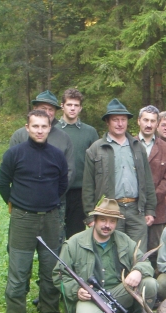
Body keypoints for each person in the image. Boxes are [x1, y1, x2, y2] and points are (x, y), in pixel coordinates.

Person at [0, 109, 69, 313]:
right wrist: (17, 204)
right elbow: (2, 183)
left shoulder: (57, 155)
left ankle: (50, 312)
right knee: (19, 269)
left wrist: (47, 203)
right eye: (35, 126)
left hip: (50, 219)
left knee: (50, 268)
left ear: (50, 128)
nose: (39, 130)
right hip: (22, 219)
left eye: (44, 126)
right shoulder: (14, 154)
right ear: (27, 128)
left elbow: (62, 185)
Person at [53, 199, 157, 313]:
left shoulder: (124, 240)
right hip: (90, 297)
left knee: (150, 283)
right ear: (94, 220)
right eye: (103, 220)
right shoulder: (73, 243)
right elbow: (58, 275)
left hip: (118, 293)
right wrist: (76, 290)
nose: (107, 225)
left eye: (112, 221)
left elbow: (144, 261)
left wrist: (138, 270)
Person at [82, 98, 156, 251]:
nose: (120, 123)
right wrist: (90, 217)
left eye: (123, 120)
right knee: (112, 253)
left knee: (137, 253)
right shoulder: (96, 149)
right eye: (115, 120)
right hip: (109, 212)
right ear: (107, 122)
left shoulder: (138, 147)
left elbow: (147, 181)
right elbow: (88, 186)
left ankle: (137, 275)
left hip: (136, 210)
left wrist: (150, 209)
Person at [137, 105, 166, 271]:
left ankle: (155, 291)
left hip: (158, 211)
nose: (148, 124)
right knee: (134, 250)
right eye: (145, 120)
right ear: (139, 121)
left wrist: (150, 205)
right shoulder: (129, 145)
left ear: (157, 124)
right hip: (132, 209)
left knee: (156, 251)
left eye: (152, 121)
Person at [57, 88, 99, 239]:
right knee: (57, 233)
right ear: (62, 106)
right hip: (58, 190)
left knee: (76, 234)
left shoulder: (90, 132)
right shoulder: (53, 130)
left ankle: (74, 262)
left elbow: (97, 162)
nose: (72, 108)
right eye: (69, 104)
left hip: (81, 191)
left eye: (76, 105)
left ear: (80, 108)